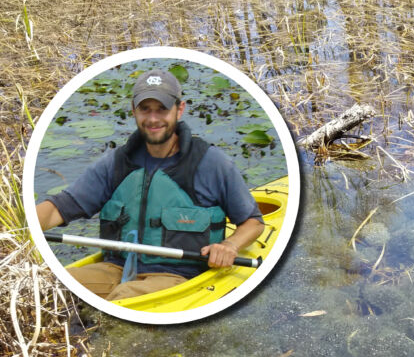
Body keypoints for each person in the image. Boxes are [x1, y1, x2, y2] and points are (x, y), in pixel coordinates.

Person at [36, 68, 264, 301]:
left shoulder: (212, 163)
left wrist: (229, 245)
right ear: (134, 111)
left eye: (162, 109)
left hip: (178, 275)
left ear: (179, 109)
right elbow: (59, 208)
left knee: (123, 297)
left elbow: (253, 222)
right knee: (46, 287)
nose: (153, 119)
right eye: (145, 109)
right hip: (117, 268)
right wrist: (20, 229)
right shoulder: (116, 162)